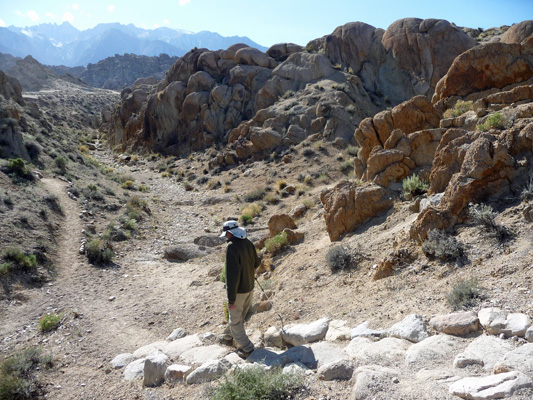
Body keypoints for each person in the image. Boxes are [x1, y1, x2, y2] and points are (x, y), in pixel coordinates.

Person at [217, 220, 260, 358]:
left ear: (230, 233)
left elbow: (232, 276)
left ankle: (247, 348)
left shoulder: (231, 247)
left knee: (235, 320)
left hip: (239, 291)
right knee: (238, 317)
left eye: (226, 234)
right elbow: (257, 263)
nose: (226, 237)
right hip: (250, 288)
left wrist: (231, 299)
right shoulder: (248, 242)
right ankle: (228, 337)